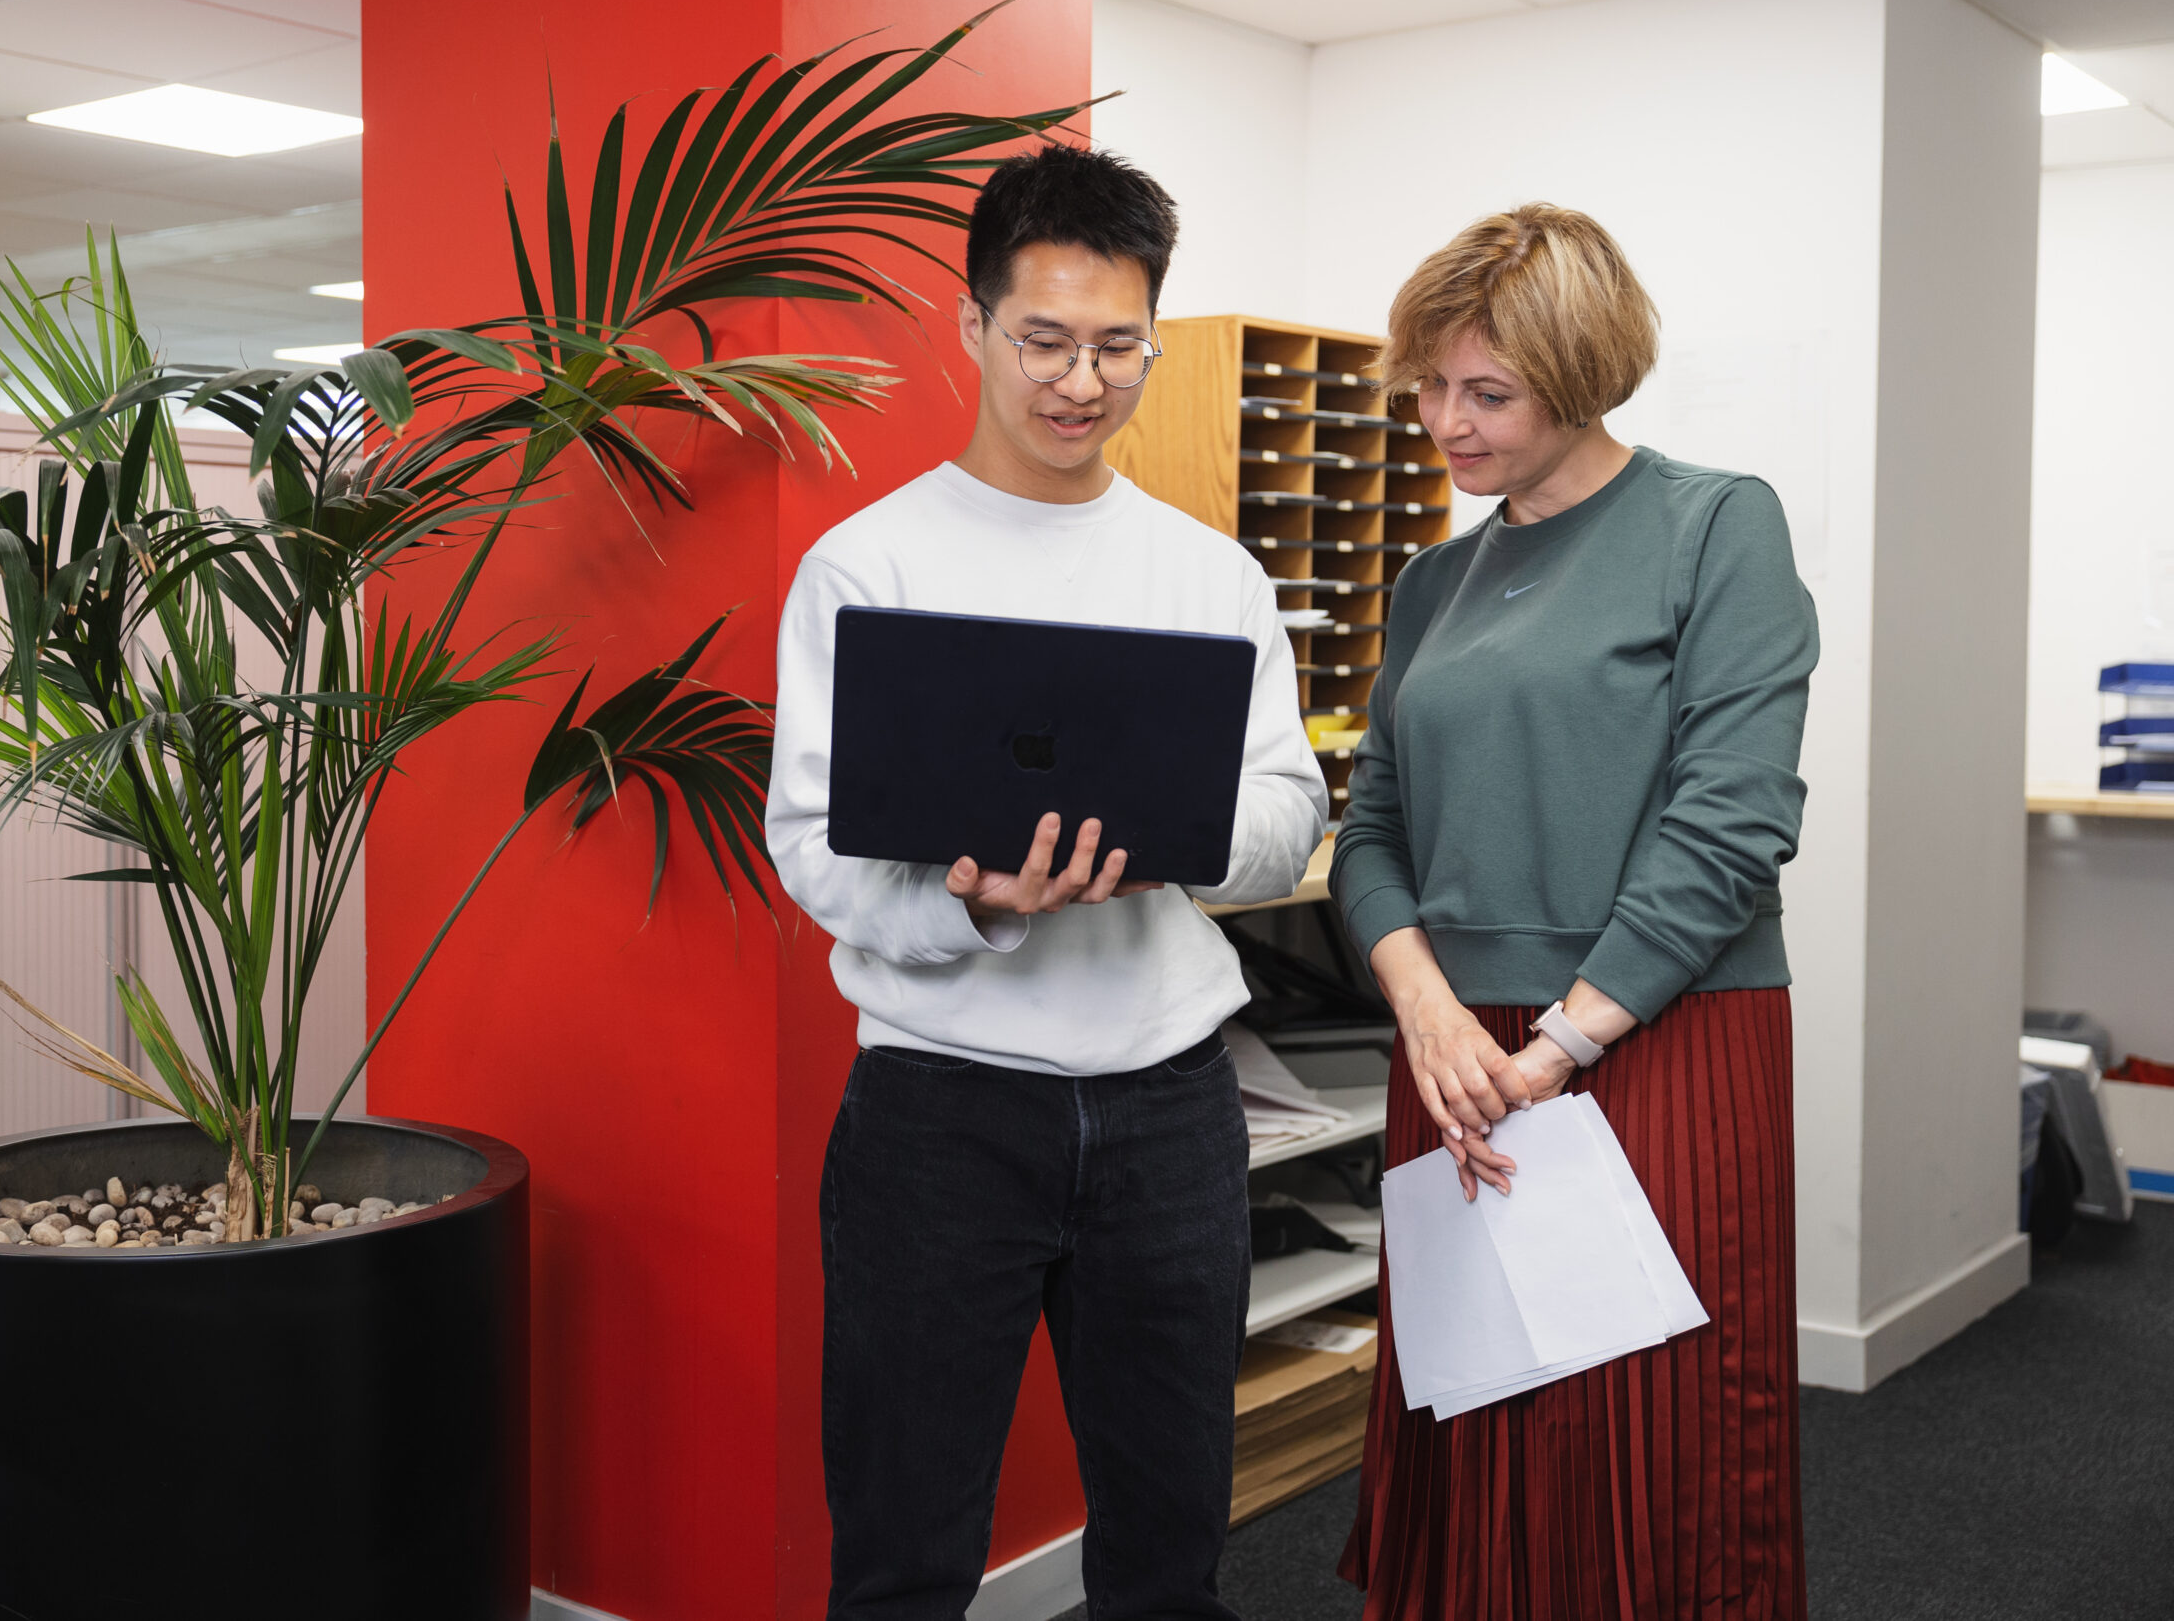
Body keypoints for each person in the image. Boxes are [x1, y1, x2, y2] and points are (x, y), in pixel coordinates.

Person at [765, 144, 1329, 1620]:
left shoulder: (1210, 573)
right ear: (971, 326)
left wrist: (1171, 833)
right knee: (903, 1546)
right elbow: (811, 846)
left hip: (1168, 1109)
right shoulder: (864, 567)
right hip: (937, 1114)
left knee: (1168, 1541)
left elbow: (1290, 812)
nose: (1083, 381)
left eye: (1119, 345)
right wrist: (976, 903)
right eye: (1045, 340)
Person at [1330, 203, 1818, 1619]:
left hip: (1650, 1036)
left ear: (1584, 372)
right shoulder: (1432, 583)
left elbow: (1733, 823)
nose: (1444, 422)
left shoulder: (1714, 523)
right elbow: (1374, 831)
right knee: (1476, 1425)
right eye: (1427, 384)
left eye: (1487, 392)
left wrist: (1557, 1051)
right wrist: (1429, 1013)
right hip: (1460, 1056)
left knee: (1648, 1439)